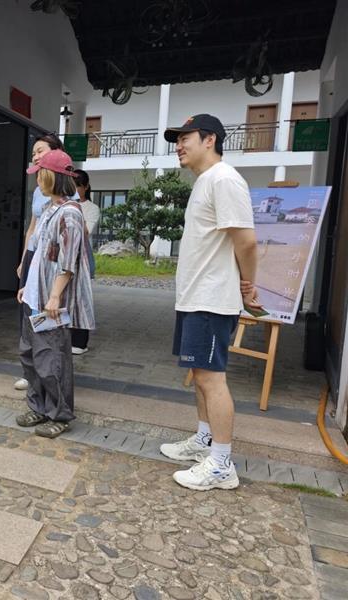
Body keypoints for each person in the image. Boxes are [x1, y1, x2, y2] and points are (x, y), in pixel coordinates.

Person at [159, 114, 261, 491]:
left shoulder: (224, 179)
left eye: (186, 137)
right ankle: (204, 440)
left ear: (210, 139)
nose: (179, 145)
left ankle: (221, 463)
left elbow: (246, 241)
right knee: (199, 375)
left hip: (211, 298)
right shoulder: (206, 182)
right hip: (195, 296)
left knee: (211, 378)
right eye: (177, 139)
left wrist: (248, 286)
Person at [15, 149, 95, 438]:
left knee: (52, 360)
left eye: (40, 174)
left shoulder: (70, 214)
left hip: (50, 301)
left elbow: (68, 262)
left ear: (52, 176)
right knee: (30, 356)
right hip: (34, 296)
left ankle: (59, 414)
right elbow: (39, 254)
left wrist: (53, 296)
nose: (37, 179)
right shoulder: (50, 209)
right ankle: (38, 407)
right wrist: (28, 285)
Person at [14, 133, 79, 390]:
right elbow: (32, 231)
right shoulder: (43, 198)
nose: (36, 157)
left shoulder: (67, 206)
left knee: (48, 328)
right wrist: (24, 264)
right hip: (35, 260)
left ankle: (50, 385)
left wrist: (54, 294)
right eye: (33, 154)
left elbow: (66, 257)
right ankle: (33, 376)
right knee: (29, 321)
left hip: (52, 267)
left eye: (40, 151)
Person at [71, 169, 100, 355]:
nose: (74, 190)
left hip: (81, 255)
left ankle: (80, 341)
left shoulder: (92, 208)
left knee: (80, 299)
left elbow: (85, 233)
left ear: (86, 187)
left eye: (78, 186)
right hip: (64, 254)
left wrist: (75, 209)